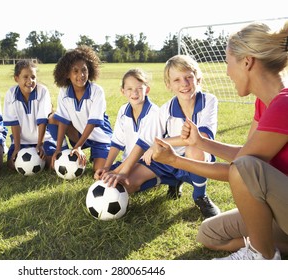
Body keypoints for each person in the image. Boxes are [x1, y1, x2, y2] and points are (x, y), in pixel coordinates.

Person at [147, 21, 288, 260]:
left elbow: (240, 170)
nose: (226, 72)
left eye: (227, 62)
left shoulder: (284, 104)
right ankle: (274, 246)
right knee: (209, 234)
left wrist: (174, 160)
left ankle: (263, 255)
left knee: (243, 168)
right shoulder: (263, 103)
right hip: (278, 207)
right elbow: (247, 154)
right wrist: (202, 143)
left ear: (247, 61)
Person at [103, 55, 220, 219]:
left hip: (193, 160)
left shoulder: (209, 101)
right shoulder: (165, 110)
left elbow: (199, 138)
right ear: (169, 85)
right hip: (167, 159)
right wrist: (123, 171)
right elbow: (143, 141)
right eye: (177, 80)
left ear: (198, 78)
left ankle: (200, 197)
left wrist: (160, 142)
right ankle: (171, 181)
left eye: (189, 77)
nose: (184, 84)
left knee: (193, 149)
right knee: (127, 183)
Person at [51, 45, 113, 172]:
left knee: (99, 171)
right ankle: (64, 153)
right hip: (79, 133)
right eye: (75, 71)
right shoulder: (64, 91)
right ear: (67, 74)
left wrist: (78, 146)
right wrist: (58, 149)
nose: (81, 75)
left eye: (84, 70)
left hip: (100, 138)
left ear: (90, 70)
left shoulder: (97, 91)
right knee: (53, 118)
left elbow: (92, 123)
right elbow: (63, 120)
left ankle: (98, 155)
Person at [94, 68, 159, 184]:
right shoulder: (123, 111)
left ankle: (160, 179)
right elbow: (116, 143)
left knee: (122, 184)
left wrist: (117, 171)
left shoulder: (154, 113)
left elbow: (142, 149)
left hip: (149, 163)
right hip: (127, 161)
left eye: (139, 88)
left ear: (147, 90)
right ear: (122, 91)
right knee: (103, 179)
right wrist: (107, 167)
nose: (134, 93)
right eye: (129, 89)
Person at [3, 59, 61, 169]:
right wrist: (17, 147)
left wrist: (40, 144)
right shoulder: (11, 94)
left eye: (33, 77)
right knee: (11, 165)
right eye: (25, 77)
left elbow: (42, 120)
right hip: (22, 141)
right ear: (16, 78)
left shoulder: (42, 91)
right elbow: (14, 124)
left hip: (44, 140)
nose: (30, 81)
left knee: (53, 165)